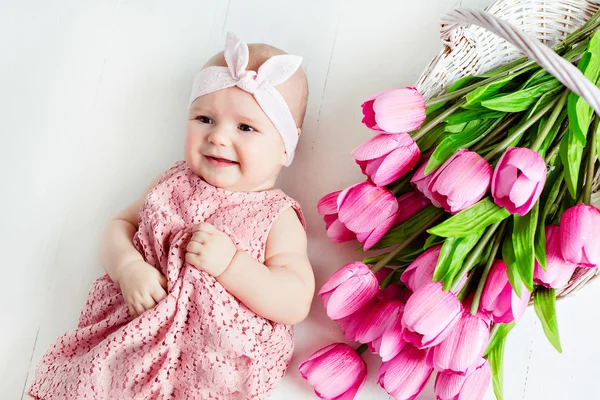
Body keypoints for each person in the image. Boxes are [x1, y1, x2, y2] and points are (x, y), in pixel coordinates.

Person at [28, 32, 314, 399]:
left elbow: (294, 301)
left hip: (209, 366)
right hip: (133, 336)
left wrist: (231, 265)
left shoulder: (276, 216)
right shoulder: (173, 182)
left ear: (285, 147)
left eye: (245, 127)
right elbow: (120, 225)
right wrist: (128, 267)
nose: (219, 137)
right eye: (205, 119)